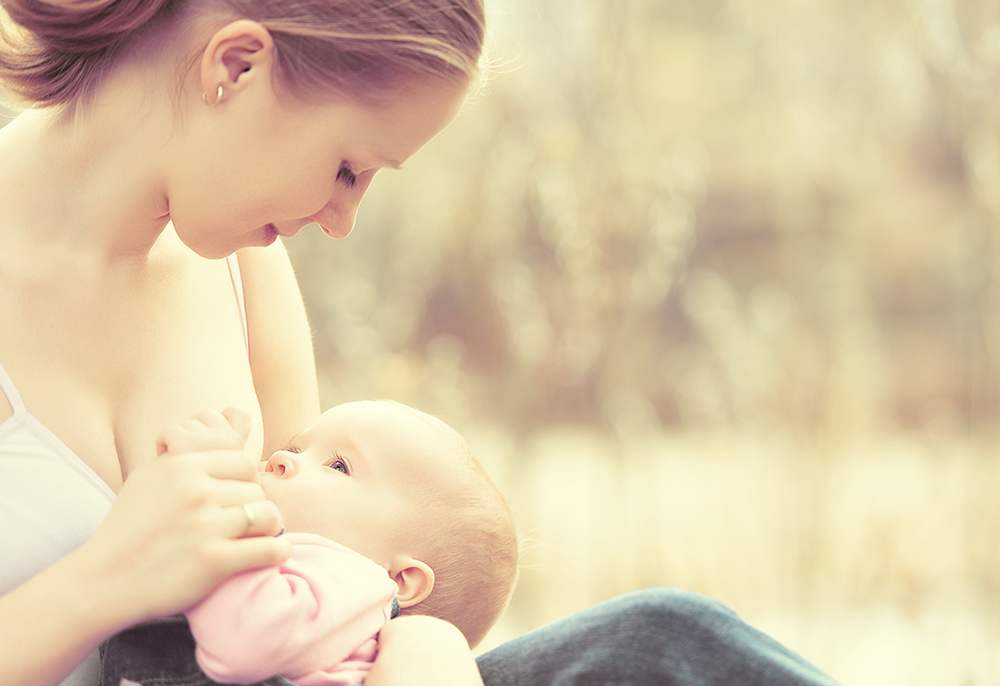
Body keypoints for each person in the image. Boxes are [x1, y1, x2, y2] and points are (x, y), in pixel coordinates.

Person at [0, 1, 841, 685]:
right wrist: (105, 581)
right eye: (346, 169)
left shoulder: (245, 274)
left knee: (660, 645)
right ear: (236, 66)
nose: (340, 221)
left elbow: (327, 569)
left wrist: (421, 645)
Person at [100, 401, 517, 686]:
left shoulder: (356, 579)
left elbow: (247, 636)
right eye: (296, 446)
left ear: (401, 580)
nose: (284, 459)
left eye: (338, 465)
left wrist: (226, 497)